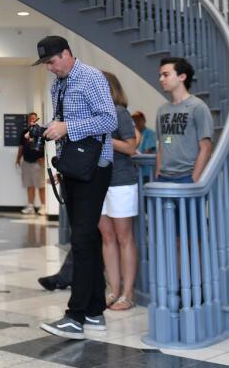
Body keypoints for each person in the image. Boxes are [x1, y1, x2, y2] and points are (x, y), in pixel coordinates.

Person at [33, 36, 118, 341]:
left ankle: (75, 316)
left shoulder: (91, 77)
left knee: (81, 239)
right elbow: (63, 120)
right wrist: (49, 128)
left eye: (52, 62)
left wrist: (68, 127)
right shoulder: (59, 84)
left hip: (94, 169)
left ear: (67, 54)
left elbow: (109, 119)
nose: (50, 69)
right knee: (88, 239)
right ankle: (95, 310)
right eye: (46, 64)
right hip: (73, 167)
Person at [99, 71, 139, 311]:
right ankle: (113, 290)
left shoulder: (119, 112)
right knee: (107, 237)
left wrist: (103, 136)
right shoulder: (92, 114)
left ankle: (128, 293)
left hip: (121, 181)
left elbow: (131, 147)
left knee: (124, 238)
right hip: (98, 181)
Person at [155, 58, 213, 183]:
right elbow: (161, 146)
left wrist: (194, 179)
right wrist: (158, 174)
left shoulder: (198, 106)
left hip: (187, 176)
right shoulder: (162, 110)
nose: (161, 79)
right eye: (160, 76)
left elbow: (206, 148)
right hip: (163, 177)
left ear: (182, 77)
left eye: (166, 75)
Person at [16, 111, 46, 214]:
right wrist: (17, 159)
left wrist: (44, 159)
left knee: (41, 186)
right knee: (29, 185)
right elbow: (21, 147)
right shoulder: (24, 132)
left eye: (34, 118)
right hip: (26, 162)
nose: (32, 120)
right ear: (28, 120)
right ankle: (31, 207)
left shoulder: (41, 131)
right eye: (30, 118)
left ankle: (43, 207)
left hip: (38, 163)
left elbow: (47, 146)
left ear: (37, 119)